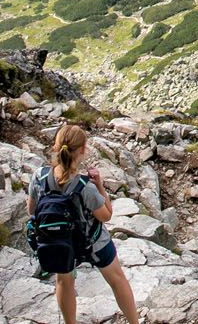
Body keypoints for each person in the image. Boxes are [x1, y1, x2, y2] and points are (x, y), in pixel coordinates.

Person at [29, 123, 140, 324]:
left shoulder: (39, 177)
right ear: (82, 150)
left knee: (63, 281)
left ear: (56, 146)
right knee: (117, 280)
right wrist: (100, 186)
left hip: (59, 241)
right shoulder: (85, 187)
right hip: (92, 243)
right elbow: (106, 216)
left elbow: (31, 211)